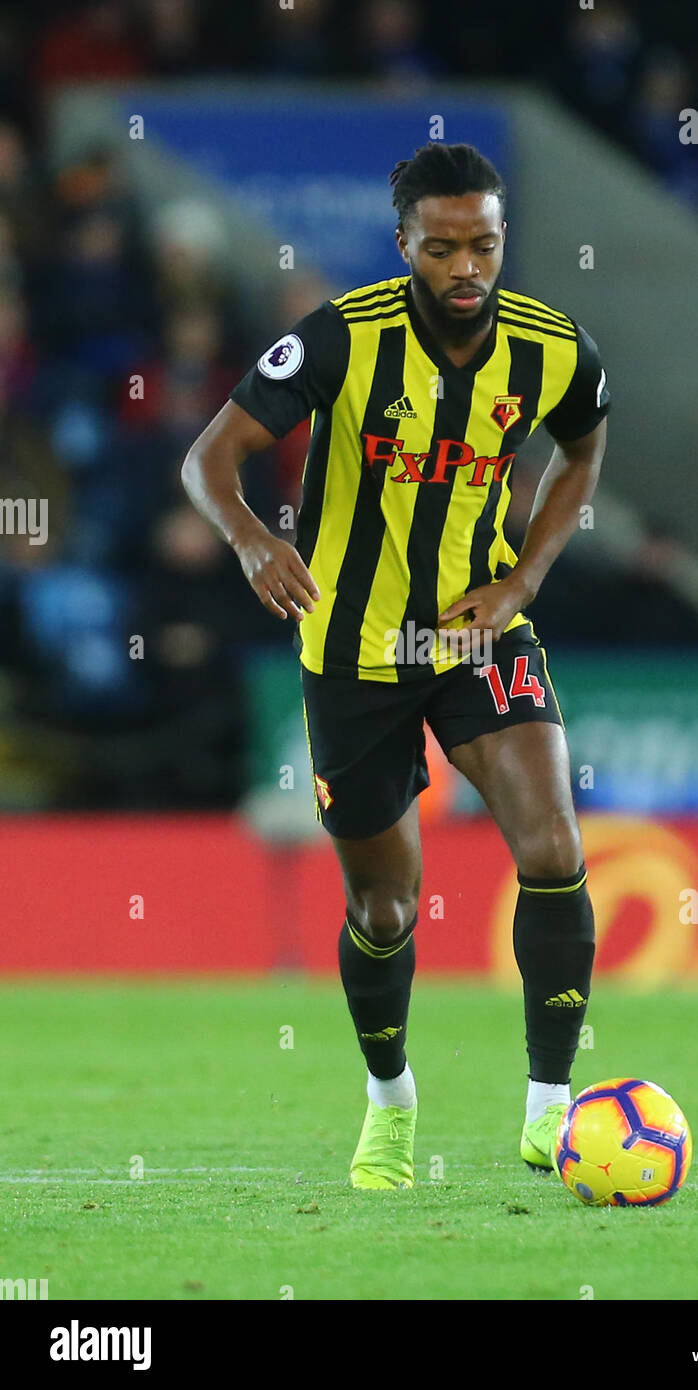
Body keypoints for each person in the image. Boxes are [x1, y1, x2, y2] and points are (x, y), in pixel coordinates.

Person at [181, 143, 610, 1189]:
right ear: (404, 245)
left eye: (485, 244)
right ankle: (390, 1101)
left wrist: (517, 586)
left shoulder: (554, 350)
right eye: (443, 247)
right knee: (384, 908)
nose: (467, 266)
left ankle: (549, 1111)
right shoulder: (340, 338)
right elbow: (209, 457)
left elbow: (582, 451)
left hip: (476, 629)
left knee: (552, 845)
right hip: (353, 646)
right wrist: (248, 538)